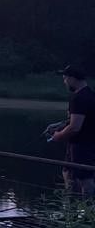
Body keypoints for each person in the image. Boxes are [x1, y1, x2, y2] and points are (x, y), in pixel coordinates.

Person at [45, 65, 95, 195]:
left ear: (73, 79)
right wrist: (59, 125)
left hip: (81, 146)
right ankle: (72, 209)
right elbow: (82, 120)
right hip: (83, 144)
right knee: (67, 172)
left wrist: (58, 136)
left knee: (85, 179)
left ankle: (86, 211)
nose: (64, 82)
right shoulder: (90, 95)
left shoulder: (78, 99)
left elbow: (74, 127)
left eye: (65, 78)